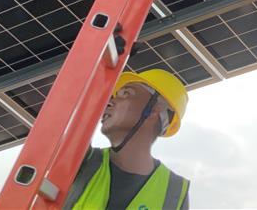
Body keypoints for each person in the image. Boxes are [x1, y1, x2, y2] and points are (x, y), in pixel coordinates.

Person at [63, 69, 190, 210]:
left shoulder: (174, 193)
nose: (109, 102)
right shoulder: (84, 160)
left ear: (154, 109)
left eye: (126, 93)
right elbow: (66, 106)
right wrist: (101, 65)